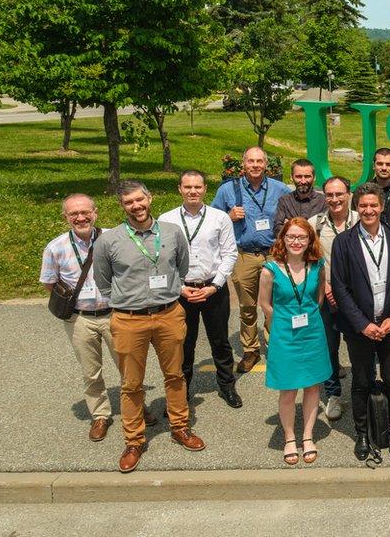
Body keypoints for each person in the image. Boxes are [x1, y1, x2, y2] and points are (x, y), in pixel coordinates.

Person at [92, 180, 203, 474]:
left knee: (175, 375)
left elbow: (181, 267)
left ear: (149, 198)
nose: (136, 206)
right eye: (129, 202)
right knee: (131, 384)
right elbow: (103, 281)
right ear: (122, 206)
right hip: (129, 319)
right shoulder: (109, 241)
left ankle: (180, 427)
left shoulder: (172, 232)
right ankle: (133, 441)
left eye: (140, 199)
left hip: (168, 313)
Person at [330, 183, 390, 460]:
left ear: (382, 207)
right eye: (363, 205)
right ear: (356, 207)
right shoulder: (343, 242)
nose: (368, 210)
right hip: (360, 328)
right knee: (361, 382)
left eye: (373, 205)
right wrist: (362, 324)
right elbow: (340, 287)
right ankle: (362, 433)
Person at [157, 171, 240, 409]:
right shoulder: (166, 219)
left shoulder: (219, 217)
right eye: (188, 187)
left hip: (213, 289)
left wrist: (216, 285)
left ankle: (226, 386)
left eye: (197, 187)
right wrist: (180, 288)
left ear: (205, 189)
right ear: (180, 189)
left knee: (221, 341)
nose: (193, 191)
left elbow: (229, 253)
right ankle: (181, 393)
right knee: (184, 343)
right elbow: (163, 260)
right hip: (182, 292)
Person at [40, 194, 118, 442]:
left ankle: (138, 406)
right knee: (91, 371)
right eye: (74, 214)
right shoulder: (56, 247)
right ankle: (100, 415)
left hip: (116, 314)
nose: (80, 217)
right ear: (65, 218)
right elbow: (49, 283)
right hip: (80, 318)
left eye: (85, 212)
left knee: (130, 367)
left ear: (95, 212)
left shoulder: (114, 238)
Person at [211, 145, 291, 374]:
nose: (255, 165)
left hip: (274, 254)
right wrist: (229, 216)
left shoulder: (280, 189)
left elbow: (293, 214)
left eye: (260, 161)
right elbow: (213, 222)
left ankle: (275, 346)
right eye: (251, 161)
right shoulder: (228, 190)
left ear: (266, 164)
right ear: (243, 164)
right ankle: (251, 349)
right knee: (247, 306)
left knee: (275, 304)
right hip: (244, 254)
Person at [259, 217, 332, 464]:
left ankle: (308, 435)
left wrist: (305, 317)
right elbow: (265, 305)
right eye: (291, 237)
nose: (296, 242)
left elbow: (319, 298)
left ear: (310, 239)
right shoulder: (270, 269)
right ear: (283, 239)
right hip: (284, 336)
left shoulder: (318, 265)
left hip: (312, 333)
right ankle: (290, 437)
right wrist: (280, 323)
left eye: (302, 237)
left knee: (312, 387)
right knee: (288, 390)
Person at [310, 176, 357, 422]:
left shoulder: (362, 220)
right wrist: (326, 285)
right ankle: (333, 395)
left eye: (339, 194)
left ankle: (364, 391)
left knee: (360, 347)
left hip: (357, 299)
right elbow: (308, 261)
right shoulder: (314, 224)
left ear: (349, 194)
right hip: (325, 297)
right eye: (330, 195)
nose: (335, 199)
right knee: (329, 348)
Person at [272, 159, 326, 236]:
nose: (303, 181)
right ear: (291, 177)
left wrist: (289, 225)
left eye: (307, 176)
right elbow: (277, 229)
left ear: (314, 177)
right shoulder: (284, 200)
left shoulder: (323, 201)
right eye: (299, 176)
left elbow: (326, 230)